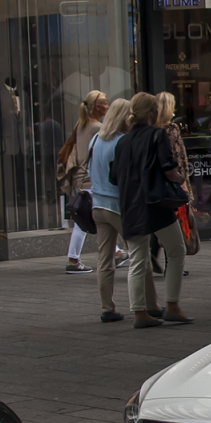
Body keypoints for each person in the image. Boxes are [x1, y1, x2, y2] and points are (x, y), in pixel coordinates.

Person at [110, 93, 192, 328]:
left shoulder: (122, 142)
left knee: (137, 260)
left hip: (130, 206)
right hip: (155, 204)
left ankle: (139, 312)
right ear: (153, 112)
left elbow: (113, 176)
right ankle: (172, 305)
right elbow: (167, 166)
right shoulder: (157, 135)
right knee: (176, 250)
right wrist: (181, 181)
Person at [90, 99, 158, 323]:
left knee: (104, 259)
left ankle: (107, 308)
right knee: (141, 255)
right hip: (118, 206)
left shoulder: (96, 140)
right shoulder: (122, 142)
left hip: (97, 204)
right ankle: (149, 305)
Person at [60, 90, 107, 274]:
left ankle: (117, 253)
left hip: (81, 178)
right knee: (87, 219)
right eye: (104, 103)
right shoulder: (97, 127)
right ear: (97, 106)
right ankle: (73, 260)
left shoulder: (81, 124)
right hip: (90, 179)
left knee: (92, 217)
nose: (107, 106)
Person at [151, 92, 196, 271]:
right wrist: (182, 182)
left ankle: (154, 254)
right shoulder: (171, 129)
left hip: (159, 183)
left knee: (161, 221)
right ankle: (173, 263)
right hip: (174, 181)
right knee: (176, 221)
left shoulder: (152, 129)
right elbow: (177, 157)